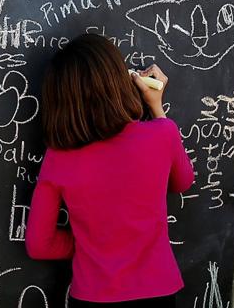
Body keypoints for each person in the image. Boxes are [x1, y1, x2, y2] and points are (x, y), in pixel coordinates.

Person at [25, 33, 194, 307]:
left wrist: (86, 246)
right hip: (157, 292)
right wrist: (156, 106)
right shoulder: (162, 135)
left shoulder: (59, 157)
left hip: (92, 295)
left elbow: (39, 244)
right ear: (120, 82)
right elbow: (182, 181)